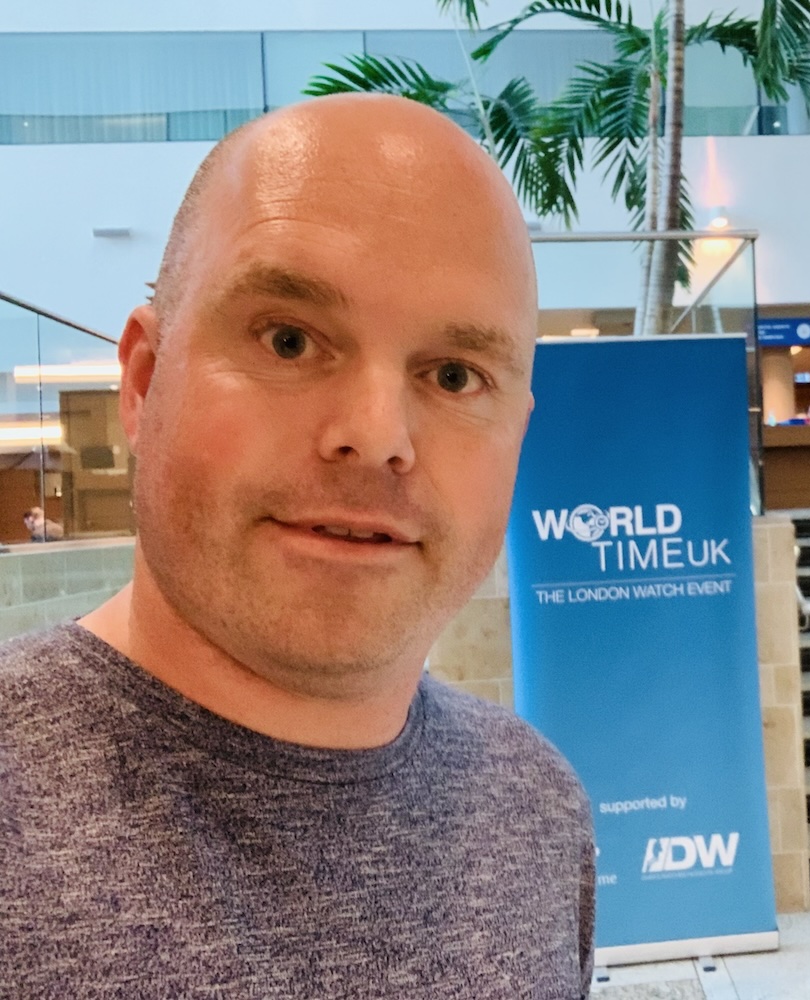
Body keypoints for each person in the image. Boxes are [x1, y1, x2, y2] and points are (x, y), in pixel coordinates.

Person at [0, 95, 595, 998]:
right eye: (289, 341)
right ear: (145, 383)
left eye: (453, 375)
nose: (378, 435)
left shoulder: (539, 810)